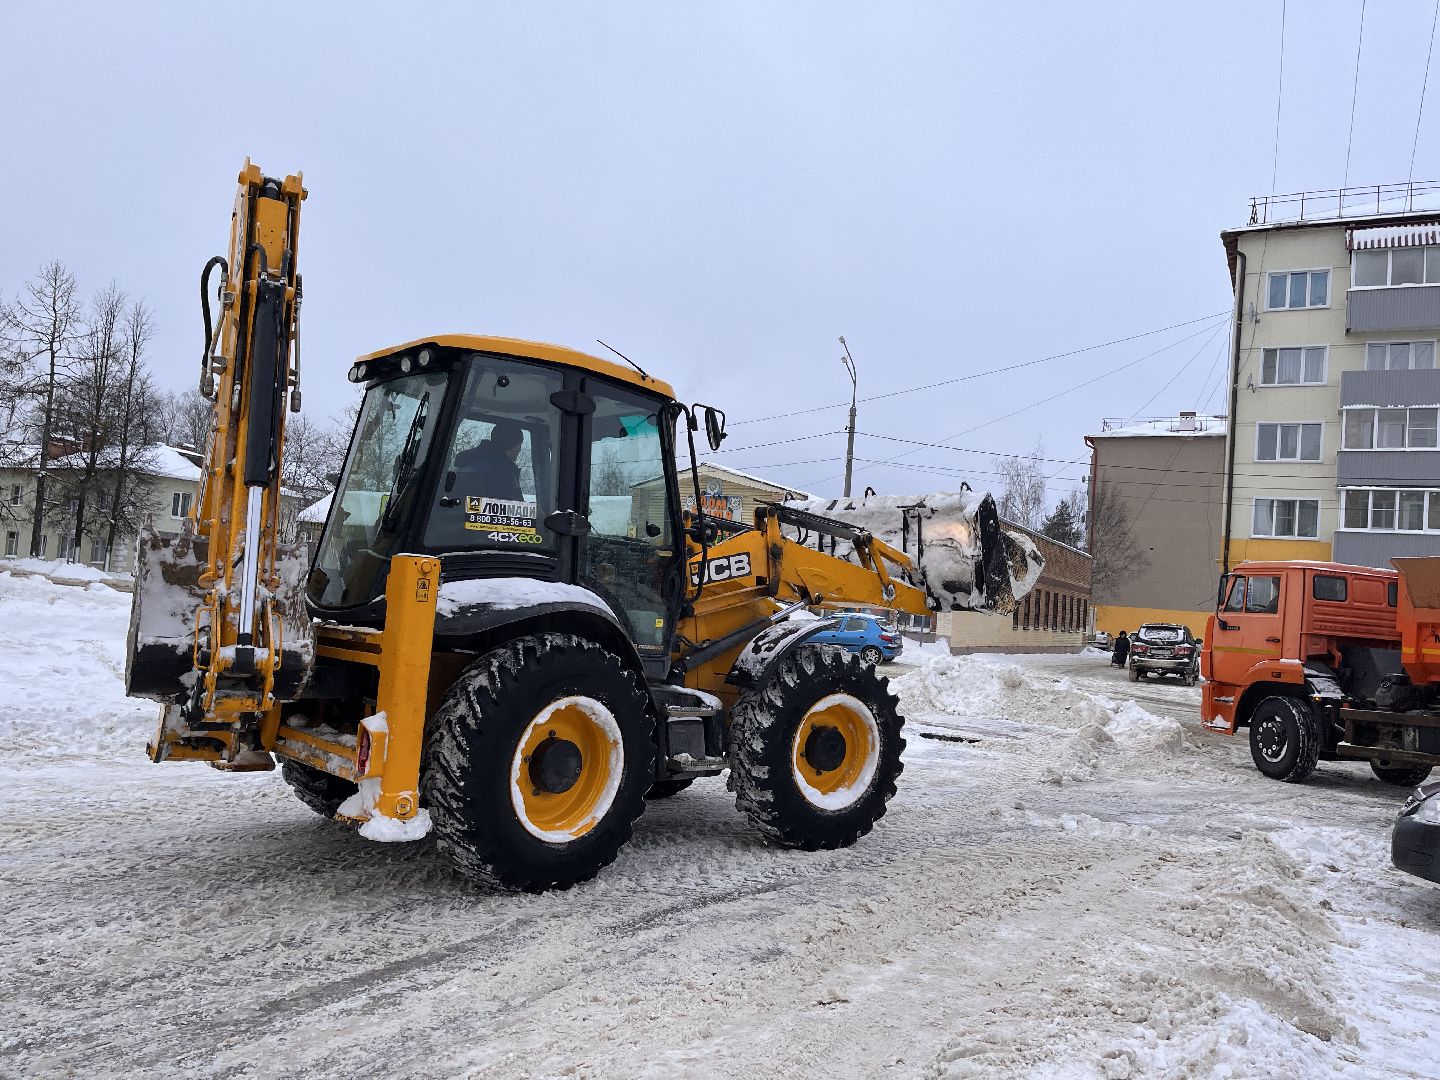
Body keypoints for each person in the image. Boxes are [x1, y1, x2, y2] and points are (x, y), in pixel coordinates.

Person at [454, 420, 524, 501]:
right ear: (511, 446)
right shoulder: (501, 474)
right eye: (519, 445)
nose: (519, 449)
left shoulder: (469, 462)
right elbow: (508, 510)